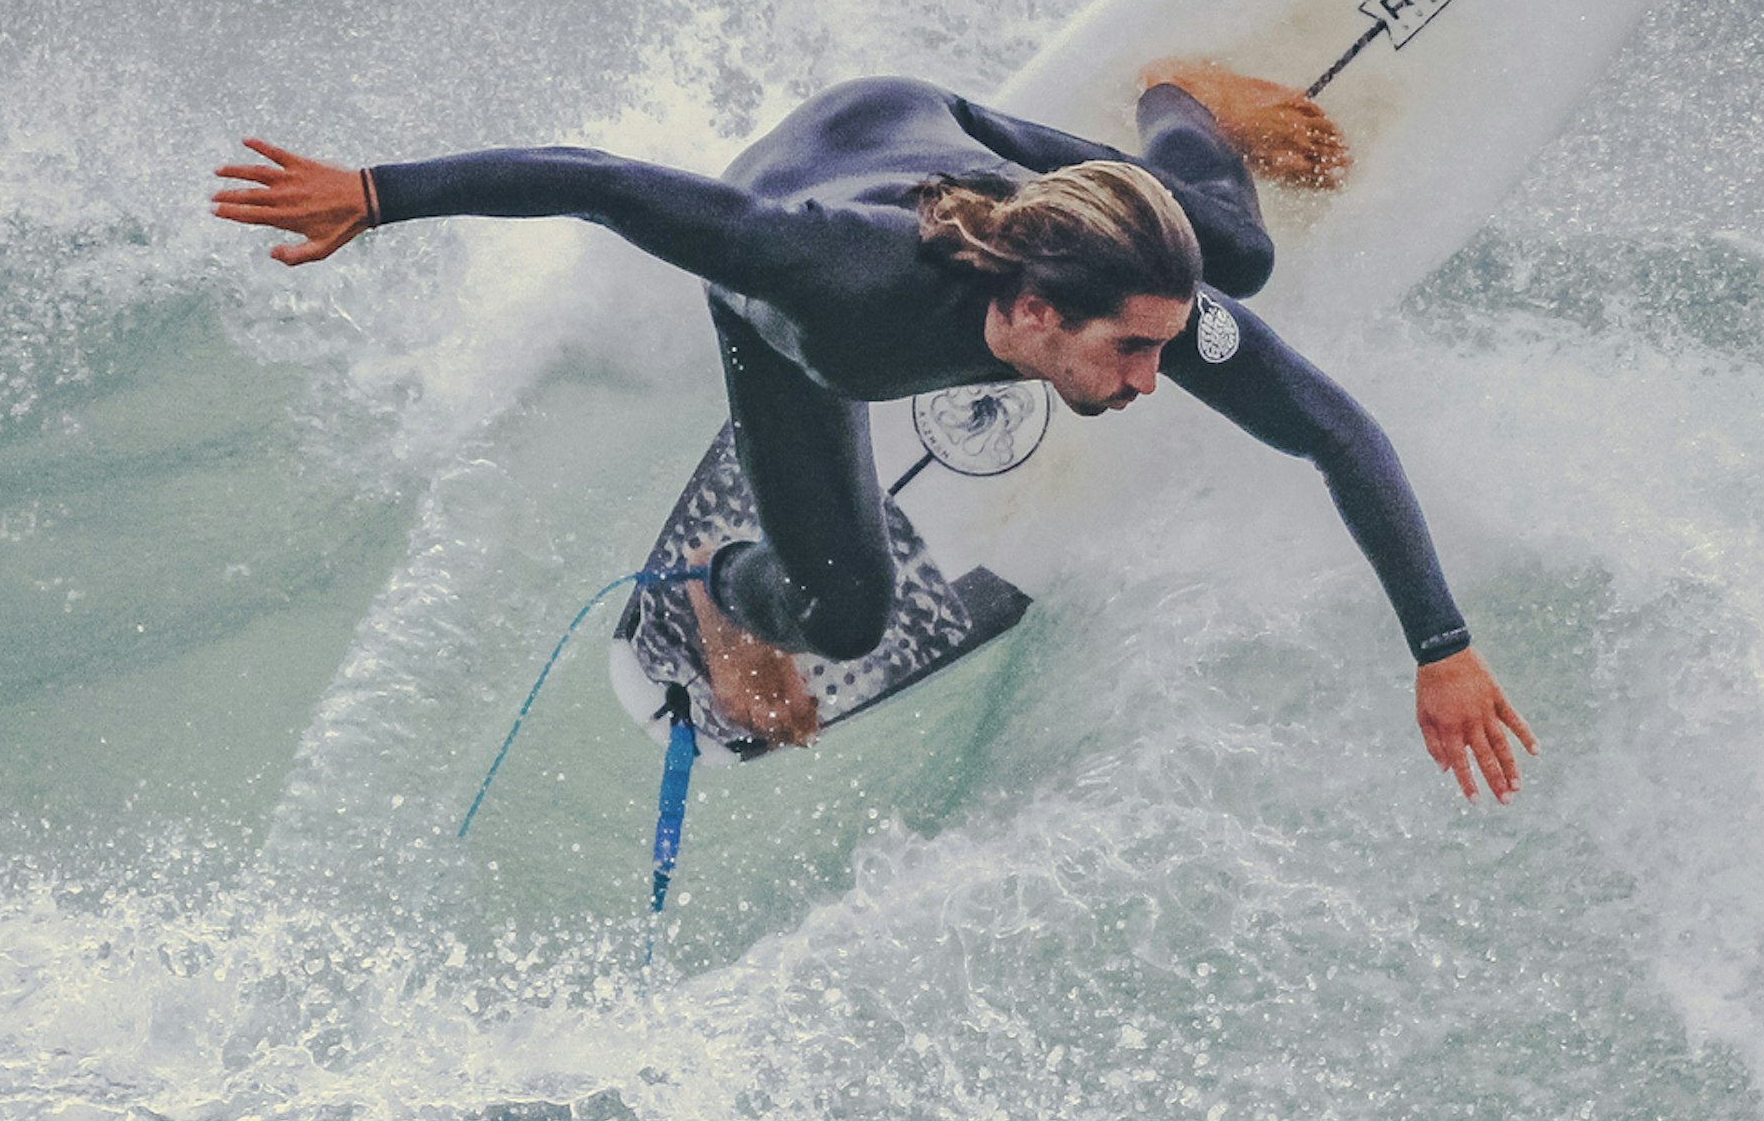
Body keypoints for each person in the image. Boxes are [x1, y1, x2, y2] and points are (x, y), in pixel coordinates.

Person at [212, 61, 1535, 799]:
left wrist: (1444, 649)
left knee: (1232, 255)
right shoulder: (818, 274)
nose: (1150, 379)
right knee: (841, 620)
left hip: (962, 136)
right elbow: (601, 185)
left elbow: (1333, 431)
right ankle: (723, 597)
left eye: (1154, 350)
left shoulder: (1124, 294)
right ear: (1029, 306)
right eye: (1129, 350)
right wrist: (373, 194)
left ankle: (1182, 98)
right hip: (799, 279)